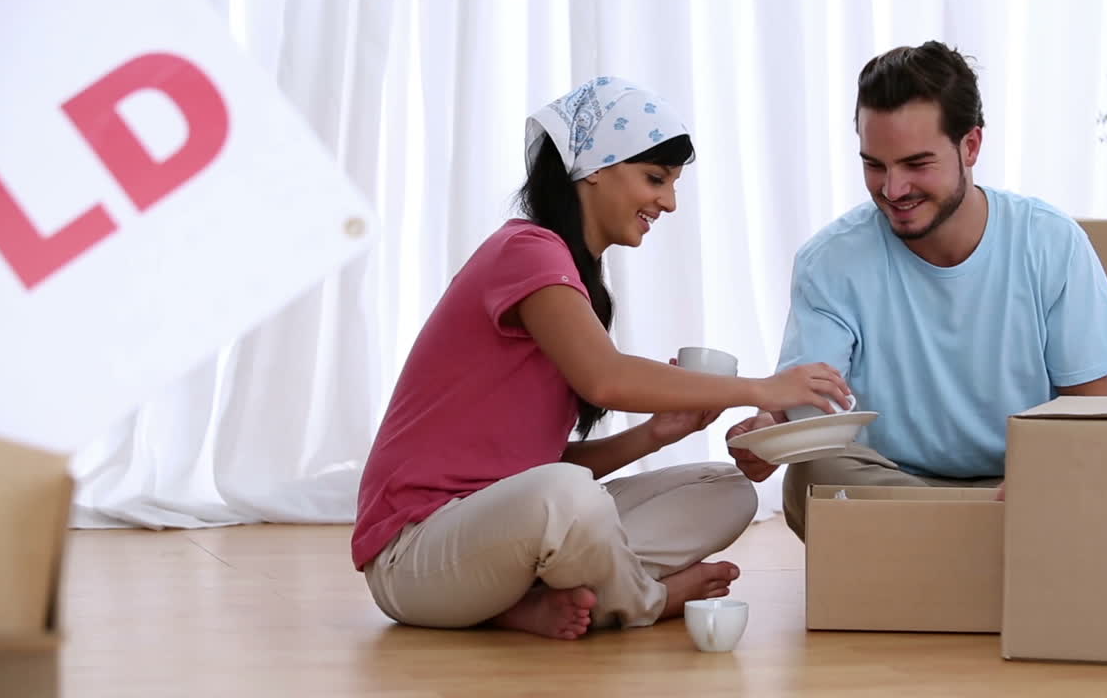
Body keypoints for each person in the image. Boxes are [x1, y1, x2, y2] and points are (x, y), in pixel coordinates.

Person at [353, 76, 850, 641]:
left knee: (726, 489)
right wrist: (763, 389)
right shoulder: (526, 252)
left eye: (673, 184)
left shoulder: (570, 277)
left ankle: (520, 603)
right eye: (656, 178)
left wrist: (653, 435)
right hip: (414, 555)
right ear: (594, 168)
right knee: (567, 497)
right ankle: (645, 600)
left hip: (493, 537)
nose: (669, 202)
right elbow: (605, 380)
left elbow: (528, 468)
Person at [726, 41, 1107, 540]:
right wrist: (769, 428)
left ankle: (932, 549)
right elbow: (808, 402)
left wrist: (1038, 479)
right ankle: (979, 544)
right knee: (813, 476)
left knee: (1090, 474)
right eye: (875, 165)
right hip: (890, 479)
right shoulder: (830, 260)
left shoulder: (1050, 241)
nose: (893, 189)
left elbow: (1092, 413)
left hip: (1018, 482)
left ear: (971, 146)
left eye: (916, 164)